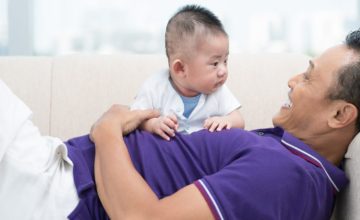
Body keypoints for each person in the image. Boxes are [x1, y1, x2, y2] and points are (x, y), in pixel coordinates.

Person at [0, 30, 359, 220]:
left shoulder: (286, 177)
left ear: (340, 115)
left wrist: (108, 128)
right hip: (57, 174)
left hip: (60, 193)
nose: (293, 80)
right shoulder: (290, 156)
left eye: (309, 78)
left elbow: (140, 218)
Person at [131, 5, 244, 140]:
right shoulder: (154, 87)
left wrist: (227, 121)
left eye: (225, 61)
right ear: (180, 69)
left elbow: (239, 120)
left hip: (204, 152)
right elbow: (135, 119)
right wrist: (153, 124)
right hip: (169, 151)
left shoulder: (218, 90)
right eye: (215, 63)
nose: (223, 71)